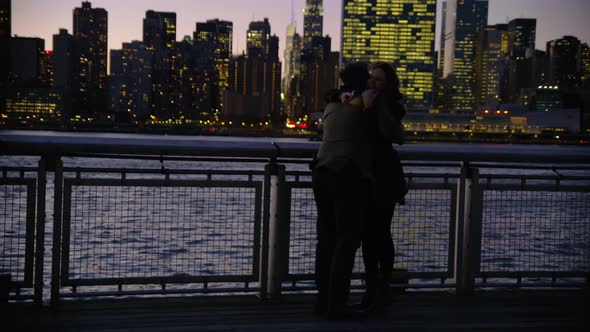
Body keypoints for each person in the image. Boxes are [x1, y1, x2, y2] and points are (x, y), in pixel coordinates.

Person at [311, 62, 373, 319]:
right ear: (364, 80)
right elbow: (384, 131)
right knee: (346, 242)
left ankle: (322, 301)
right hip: (346, 175)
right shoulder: (363, 103)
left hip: (322, 173)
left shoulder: (332, 103)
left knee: (326, 240)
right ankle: (338, 305)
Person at [359, 62, 408, 313]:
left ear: (388, 85)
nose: (372, 83)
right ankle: (373, 288)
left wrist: (368, 107)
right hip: (368, 175)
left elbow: (387, 134)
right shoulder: (364, 101)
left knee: (380, 233)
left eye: (378, 79)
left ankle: (381, 287)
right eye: (371, 78)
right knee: (370, 235)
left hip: (384, 176)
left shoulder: (389, 106)